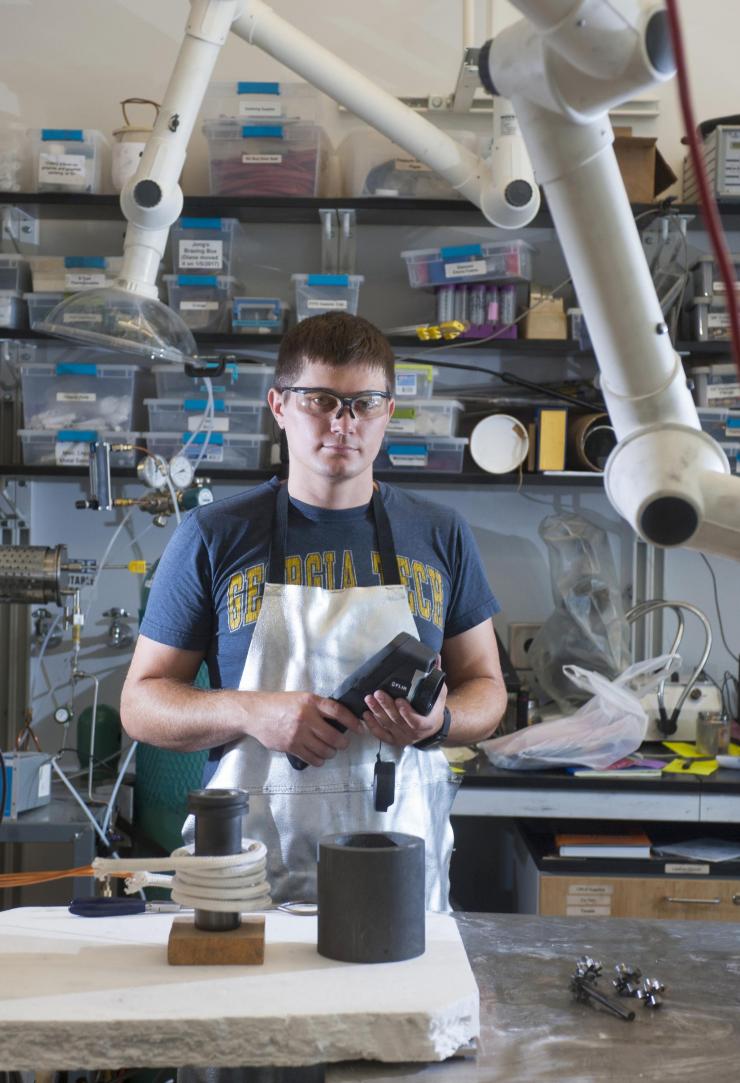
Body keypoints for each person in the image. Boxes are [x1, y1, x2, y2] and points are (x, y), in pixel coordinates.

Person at [121, 312, 506, 911]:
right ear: (278, 405)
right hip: (244, 879)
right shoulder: (213, 535)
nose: (342, 423)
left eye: (364, 403)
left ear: (389, 411)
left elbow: (487, 688)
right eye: (319, 400)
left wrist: (441, 722)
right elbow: (141, 705)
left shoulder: (441, 534)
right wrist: (253, 713)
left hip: (400, 876)